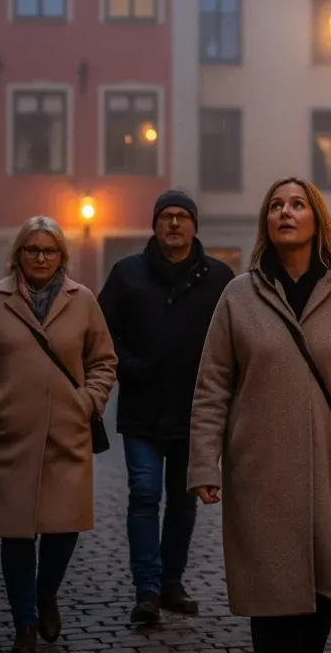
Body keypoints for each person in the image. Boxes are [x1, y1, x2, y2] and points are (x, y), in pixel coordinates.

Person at [188, 177, 331, 653]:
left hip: (326, 475)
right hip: (259, 476)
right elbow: (212, 388)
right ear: (266, 223)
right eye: (275, 206)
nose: (285, 212)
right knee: (270, 609)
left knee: (320, 595)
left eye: (297, 204)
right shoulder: (238, 296)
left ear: (317, 220)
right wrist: (205, 465)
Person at [0, 216, 118, 653]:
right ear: (17, 255)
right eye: (32, 249)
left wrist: (89, 400)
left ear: (62, 257)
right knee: (15, 533)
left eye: (49, 250)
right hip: (7, 434)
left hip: (66, 432)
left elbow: (104, 360)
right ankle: (25, 625)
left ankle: (47, 591)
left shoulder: (82, 300)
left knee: (62, 527)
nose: (40, 257)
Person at [98, 190, 234, 626]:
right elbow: (101, 333)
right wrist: (129, 366)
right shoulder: (127, 274)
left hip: (195, 409)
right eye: (166, 217)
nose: (174, 224)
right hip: (141, 406)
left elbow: (234, 339)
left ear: (194, 226)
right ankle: (148, 588)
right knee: (143, 493)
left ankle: (171, 582)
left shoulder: (218, 277)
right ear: (154, 226)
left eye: (182, 217)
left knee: (182, 499)